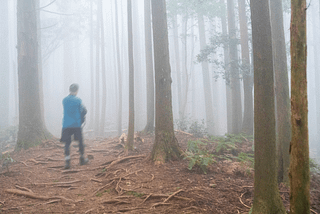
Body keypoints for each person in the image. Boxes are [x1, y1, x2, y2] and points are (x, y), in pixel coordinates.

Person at [61, 83, 89, 169]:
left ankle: (67, 162)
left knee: (67, 143)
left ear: (69, 90)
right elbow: (84, 110)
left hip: (66, 125)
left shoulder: (64, 100)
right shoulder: (78, 100)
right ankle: (82, 159)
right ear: (77, 91)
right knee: (80, 142)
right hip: (76, 124)